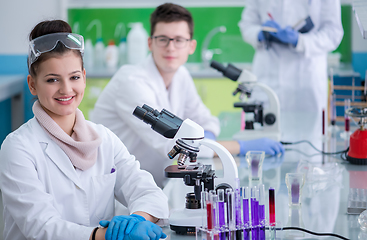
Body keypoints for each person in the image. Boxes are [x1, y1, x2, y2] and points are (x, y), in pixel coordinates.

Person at [0, 20, 168, 240]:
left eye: (74, 77)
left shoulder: (104, 139)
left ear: (84, 77)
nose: (66, 89)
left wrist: (136, 220)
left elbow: (147, 191)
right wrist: (105, 235)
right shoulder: (18, 148)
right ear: (32, 84)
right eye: (52, 80)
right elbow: (40, 227)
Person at [91, 3, 284, 188]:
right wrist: (241, 146)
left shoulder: (180, 75)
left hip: (156, 182)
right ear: (150, 43)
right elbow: (175, 147)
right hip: (121, 192)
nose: (171, 47)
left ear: (191, 46)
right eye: (163, 39)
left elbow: (206, 120)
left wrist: (204, 140)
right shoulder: (131, 82)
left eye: (179, 40)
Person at [238, 0, 344, 113]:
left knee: (306, 127)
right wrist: (259, 33)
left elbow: (333, 33)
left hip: (306, 76)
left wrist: (300, 41)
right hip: (268, 74)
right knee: (264, 125)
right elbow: (247, 24)